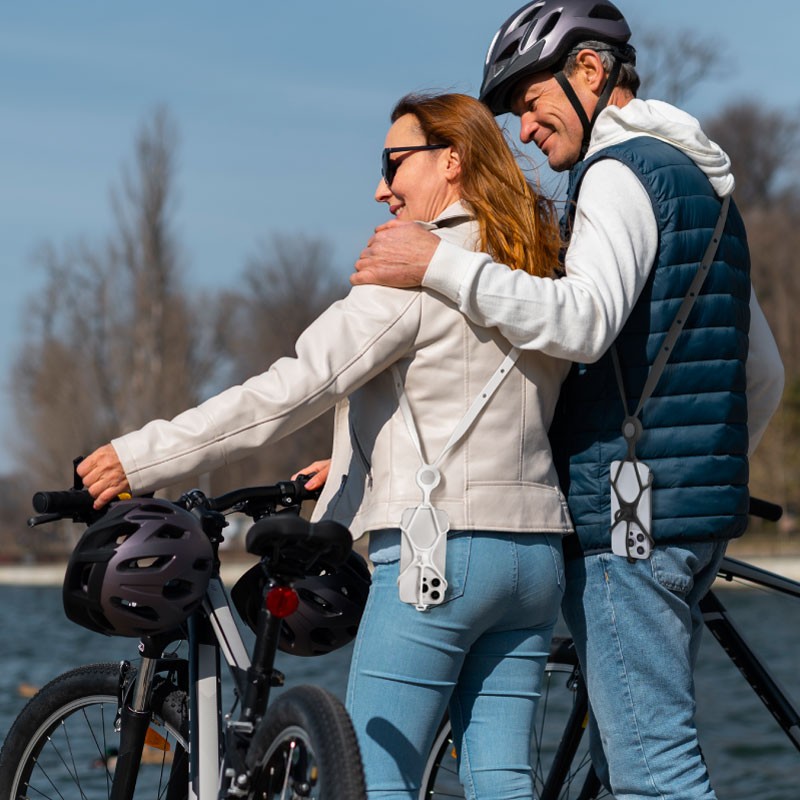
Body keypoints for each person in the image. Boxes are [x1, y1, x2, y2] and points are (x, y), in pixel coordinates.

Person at [78, 92, 574, 799]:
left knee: (373, 775)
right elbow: (464, 404)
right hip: (532, 557)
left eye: (393, 162)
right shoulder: (532, 269)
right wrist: (351, 464)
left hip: (439, 559)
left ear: (453, 162)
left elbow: (290, 389)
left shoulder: (414, 271)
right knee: (503, 776)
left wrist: (146, 456)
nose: (380, 187)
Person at [346, 3, 785, 799]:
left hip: (628, 522)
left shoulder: (619, 174)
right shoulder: (704, 186)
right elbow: (763, 374)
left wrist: (439, 264)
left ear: (590, 72)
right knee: (630, 762)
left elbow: (580, 322)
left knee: (654, 773)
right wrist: (697, 477)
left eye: (529, 101)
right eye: (510, 111)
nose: (521, 129)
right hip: (688, 517)